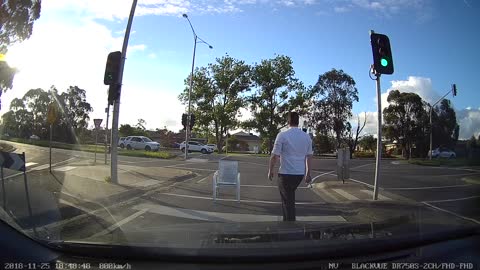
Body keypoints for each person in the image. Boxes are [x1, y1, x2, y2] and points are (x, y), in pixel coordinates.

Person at [268, 111, 313, 221]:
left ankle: (290, 227)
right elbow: (309, 157)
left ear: (288, 121)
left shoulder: (282, 135)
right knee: (289, 198)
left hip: (285, 174)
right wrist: (308, 174)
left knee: (287, 202)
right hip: (299, 174)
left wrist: (270, 170)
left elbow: (274, 156)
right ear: (298, 122)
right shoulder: (307, 137)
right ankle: (289, 222)